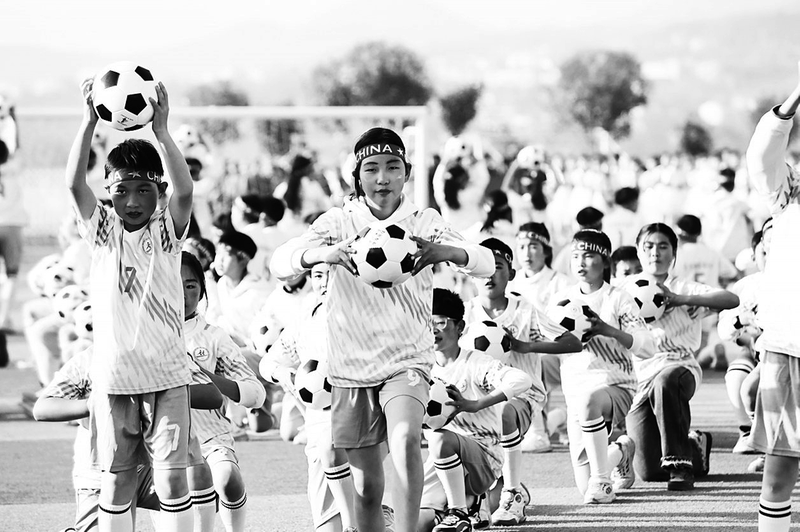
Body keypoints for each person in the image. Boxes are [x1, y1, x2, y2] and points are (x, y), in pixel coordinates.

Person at [270, 127, 494, 532]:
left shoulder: (424, 221)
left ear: (406, 172)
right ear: (357, 176)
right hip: (350, 369)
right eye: (371, 168)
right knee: (368, 488)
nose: (383, 178)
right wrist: (324, 254)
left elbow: (485, 262)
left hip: (407, 361)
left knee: (407, 438)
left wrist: (445, 252)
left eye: (393, 167)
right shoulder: (338, 222)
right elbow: (280, 262)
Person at [66, 77, 196, 531]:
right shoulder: (103, 232)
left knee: (172, 481)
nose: (133, 200)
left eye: (143, 189)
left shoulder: (166, 233)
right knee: (118, 482)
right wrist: (88, 121)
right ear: (109, 190)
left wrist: (162, 132)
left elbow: (185, 191)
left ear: (158, 190)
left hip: (167, 376)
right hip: (115, 378)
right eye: (121, 190)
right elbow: (73, 184)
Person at [32, 346, 223, 532]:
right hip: (102, 471)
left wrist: (163, 389)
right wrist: (94, 404)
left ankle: (171, 517)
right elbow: (42, 408)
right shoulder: (90, 359)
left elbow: (213, 396)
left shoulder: (168, 353)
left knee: (195, 472)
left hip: (152, 468)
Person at [463, 238, 581, 525]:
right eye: (484, 268)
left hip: (522, 398)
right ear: (472, 273)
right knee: (475, 506)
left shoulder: (524, 310)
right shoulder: (465, 314)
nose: (490, 275)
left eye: (498, 267)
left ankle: (513, 493)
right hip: (477, 403)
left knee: (506, 410)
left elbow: (572, 343)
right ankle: (494, 490)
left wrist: (525, 346)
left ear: (511, 273)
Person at [622, 223, 738, 491]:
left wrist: (683, 299)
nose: (655, 252)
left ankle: (680, 466)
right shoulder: (623, 290)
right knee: (649, 471)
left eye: (663, 246)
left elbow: (731, 299)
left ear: (674, 253)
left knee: (666, 381)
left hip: (680, 367)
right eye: (648, 246)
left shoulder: (684, 287)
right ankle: (695, 446)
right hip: (639, 376)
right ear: (638, 251)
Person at [549, 229, 655, 504]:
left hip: (616, 385)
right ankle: (621, 450)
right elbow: (548, 341)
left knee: (590, 402)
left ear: (605, 261)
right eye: (575, 256)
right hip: (575, 394)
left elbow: (647, 347)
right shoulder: (560, 301)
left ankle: (603, 484)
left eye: (588, 256)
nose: (580, 262)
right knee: (583, 486)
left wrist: (607, 329)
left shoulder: (618, 298)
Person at [418, 288, 536, 532]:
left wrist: (475, 404)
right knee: (416, 524)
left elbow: (521, 380)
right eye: (428, 323)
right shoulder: (421, 368)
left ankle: (458, 512)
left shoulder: (476, 363)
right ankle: (471, 503)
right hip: (441, 461)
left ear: (460, 326)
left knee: (440, 439)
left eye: (441, 322)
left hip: (483, 456)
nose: (434, 330)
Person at [261, 263, 359, 532]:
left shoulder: (363, 315)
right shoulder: (304, 320)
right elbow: (268, 364)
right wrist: (287, 376)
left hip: (359, 417)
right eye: (317, 275)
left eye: (332, 274)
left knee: (359, 504)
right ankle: (380, 519)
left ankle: (356, 524)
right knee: (327, 527)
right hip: (317, 421)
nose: (324, 282)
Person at [745, 64, 800, 532]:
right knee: (780, 469)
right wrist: (793, 100)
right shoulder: (787, 198)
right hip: (788, 347)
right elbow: (762, 155)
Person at [181, 251, 266, 532]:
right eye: (173, 284)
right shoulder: (145, 334)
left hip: (211, 438)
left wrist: (203, 375)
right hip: (159, 440)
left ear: (202, 290)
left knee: (227, 477)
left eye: (190, 285)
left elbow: (255, 393)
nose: (183, 293)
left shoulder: (214, 336)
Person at [719, 226, 768, 458]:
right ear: (754, 256)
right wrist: (740, 321)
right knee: (736, 376)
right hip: (754, 351)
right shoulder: (744, 286)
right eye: (764, 252)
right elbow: (724, 330)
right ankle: (747, 431)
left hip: (783, 353)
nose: (770, 257)